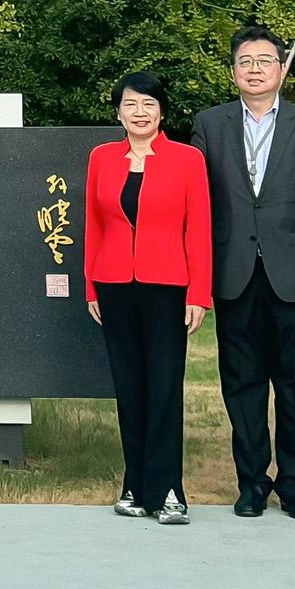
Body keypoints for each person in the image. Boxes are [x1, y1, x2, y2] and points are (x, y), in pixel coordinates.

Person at [192, 26, 295, 519]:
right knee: (242, 384)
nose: (254, 69)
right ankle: (252, 482)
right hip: (232, 272)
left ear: (282, 70)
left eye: (264, 61)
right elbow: (197, 207)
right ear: (233, 71)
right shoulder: (210, 125)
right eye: (245, 61)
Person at [84, 71, 212, 526]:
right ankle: (134, 486)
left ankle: (170, 490)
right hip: (114, 285)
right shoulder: (101, 158)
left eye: (148, 105)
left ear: (162, 111)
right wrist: (90, 285)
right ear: (118, 111)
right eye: (131, 105)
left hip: (167, 287)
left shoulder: (187, 159)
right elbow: (94, 225)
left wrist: (199, 292)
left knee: (163, 387)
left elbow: (199, 228)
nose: (140, 113)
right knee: (129, 388)